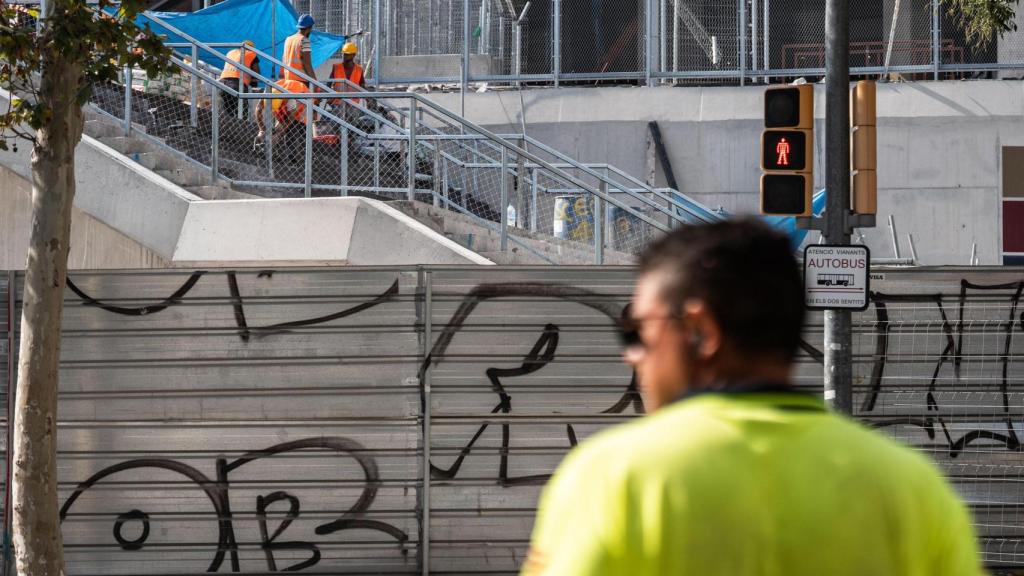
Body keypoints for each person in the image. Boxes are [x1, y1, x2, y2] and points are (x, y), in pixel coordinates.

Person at [523, 218, 982, 576]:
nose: (632, 357)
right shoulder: (913, 489)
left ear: (701, 331)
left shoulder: (615, 479)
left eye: (637, 331)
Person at [254, 79, 316, 162]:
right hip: (286, 94)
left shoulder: (292, 100)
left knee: (295, 126)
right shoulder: (268, 93)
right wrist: (261, 129)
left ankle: (297, 159)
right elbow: (258, 109)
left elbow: (290, 119)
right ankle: (272, 151)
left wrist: (279, 134)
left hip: (303, 97)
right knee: (279, 127)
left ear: (283, 102)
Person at [218, 40, 260, 117]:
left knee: (227, 111)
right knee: (242, 111)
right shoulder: (251, 54)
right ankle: (243, 127)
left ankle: (225, 126)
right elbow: (256, 73)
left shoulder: (230, 53)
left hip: (222, 83)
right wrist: (253, 82)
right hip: (237, 84)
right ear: (251, 48)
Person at [329, 41, 365, 117]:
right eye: (344, 54)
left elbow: (362, 85)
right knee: (337, 126)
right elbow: (329, 84)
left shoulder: (359, 69)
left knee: (353, 126)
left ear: (353, 55)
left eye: (348, 54)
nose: (345, 56)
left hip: (353, 104)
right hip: (338, 103)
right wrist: (329, 98)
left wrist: (368, 98)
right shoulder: (336, 67)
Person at [282, 14, 317, 84]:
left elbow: (283, 60)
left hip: (288, 80)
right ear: (308, 28)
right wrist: (316, 83)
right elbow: (307, 64)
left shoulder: (288, 39)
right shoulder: (304, 40)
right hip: (301, 81)